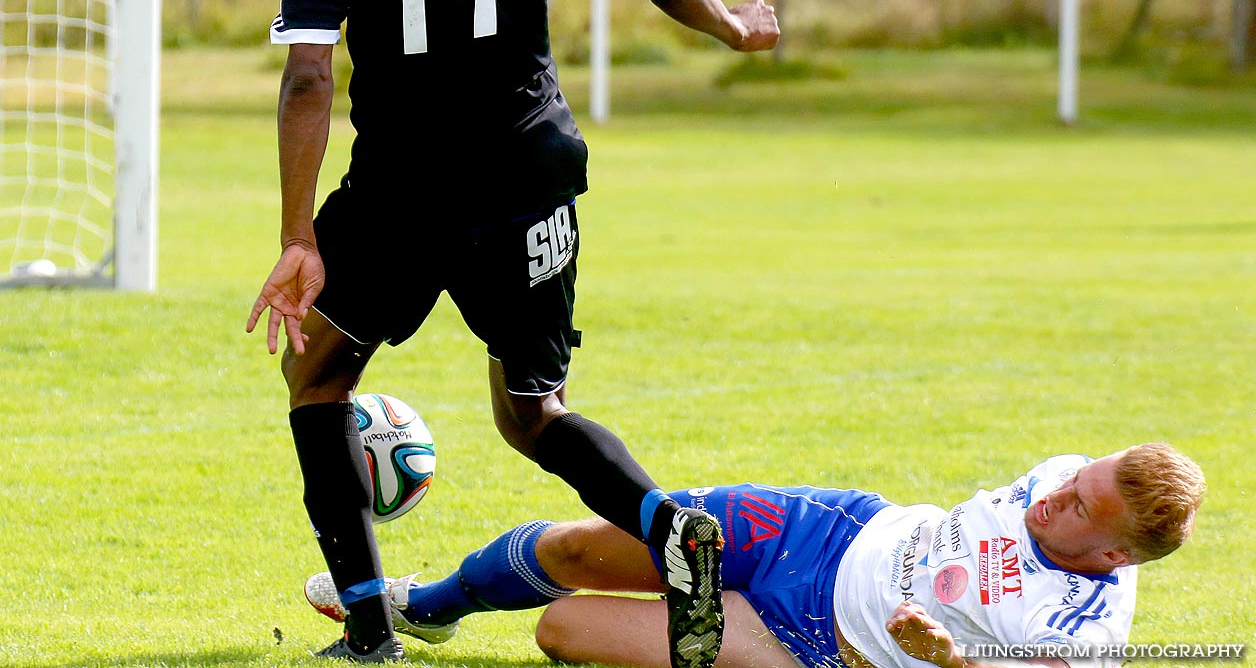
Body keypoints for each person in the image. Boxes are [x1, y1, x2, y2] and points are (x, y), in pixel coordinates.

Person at [245, 0, 779, 667]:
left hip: (405, 195)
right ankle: (671, 531)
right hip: (533, 177)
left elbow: (308, 75)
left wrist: (296, 235)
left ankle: (369, 631)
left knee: (315, 377)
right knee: (534, 412)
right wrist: (733, 27)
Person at [303, 443, 1205, 668]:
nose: (1052, 495)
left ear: (1117, 555)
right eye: (1075, 479)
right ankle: (427, 606)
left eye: (1077, 507)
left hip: (802, 642)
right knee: (578, 548)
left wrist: (948, 659)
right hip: (826, 529)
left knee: (561, 628)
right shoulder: (1063, 474)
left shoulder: (1077, 634)